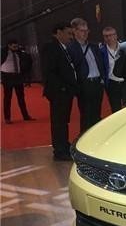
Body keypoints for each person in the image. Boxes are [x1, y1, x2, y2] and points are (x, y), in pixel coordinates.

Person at [40, 22, 79, 161]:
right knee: (58, 121)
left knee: (63, 121)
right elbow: (49, 72)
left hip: (65, 92)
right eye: (68, 33)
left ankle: (63, 144)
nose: (71, 37)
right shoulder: (51, 48)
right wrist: (62, 88)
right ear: (58, 32)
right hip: (59, 92)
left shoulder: (63, 48)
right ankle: (60, 150)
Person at [68, 18, 106, 133]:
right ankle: (85, 138)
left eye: (86, 30)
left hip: (97, 83)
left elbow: (101, 63)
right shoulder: (71, 48)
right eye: (82, 30)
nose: (85, 33)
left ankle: (97, 136)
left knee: (97, 113)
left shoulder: (94, 46)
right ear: (74, 31)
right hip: (84, 84)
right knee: (86, 115)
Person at [1, 38, 35, 124]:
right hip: (7, 77)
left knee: (21, 98)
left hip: (18, 77)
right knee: (7, 98)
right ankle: (7, 118)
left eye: (16, 46)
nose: (16, 48)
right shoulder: (3, 52)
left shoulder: (19, 52)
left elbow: (27, 59)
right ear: (9, 46)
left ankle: (25, 116)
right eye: (14, 46)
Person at [99, 26, 123, 112]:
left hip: (125, 82)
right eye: (106, 36)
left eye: (111, 35)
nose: (109, 38)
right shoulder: (101, 51)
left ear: (116, 35)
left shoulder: (124, 47)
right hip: (112, 83)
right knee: (115, 108)